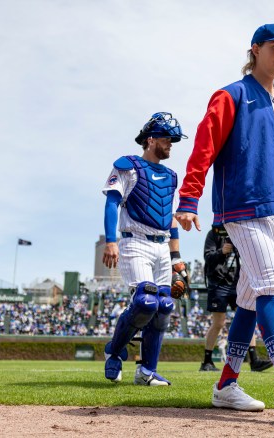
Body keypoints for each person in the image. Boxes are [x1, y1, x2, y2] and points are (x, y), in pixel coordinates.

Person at [175, 23, 274, 417]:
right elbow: (204, 147)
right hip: (242, 205)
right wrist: (190, 198)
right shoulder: (232, 95)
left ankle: (226, 384)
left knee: (248, 298)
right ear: (255, 50)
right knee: (268, 287)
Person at [102, 112, 189, 386]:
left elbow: (170, 217)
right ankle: (114, 352)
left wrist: (176, 258)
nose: (171, 144)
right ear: (151, 140)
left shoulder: (172, 176)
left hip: (162, 246)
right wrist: (110, 240)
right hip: (135, 241)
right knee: (145, 301)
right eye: (166, 138)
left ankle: (147, 371)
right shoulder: (128, 165)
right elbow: (112, 202)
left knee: (164, 306)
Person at [200, 223, 272, 373]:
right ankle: (206, 361)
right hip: (218, 284)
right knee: (218, 323)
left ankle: (254, 360)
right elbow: (208, 257)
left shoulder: (239, 235)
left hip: (237, 283)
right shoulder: (213, 234)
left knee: (247, 317)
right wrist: (222, 251)